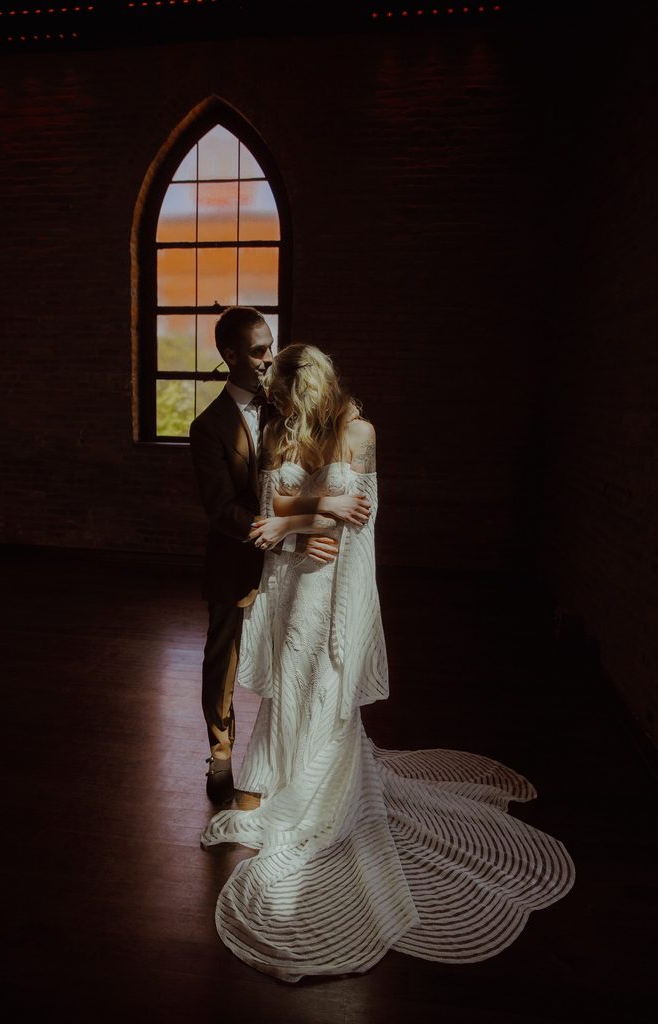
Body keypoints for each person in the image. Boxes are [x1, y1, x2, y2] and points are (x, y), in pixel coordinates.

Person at [200, 343, 576, 982]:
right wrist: (311, 517)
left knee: (324, 687)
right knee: (289, 685)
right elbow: (272, 512)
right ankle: (275, 776)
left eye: (291, 400)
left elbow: (362, 522)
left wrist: (341, 582)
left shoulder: (359, 432)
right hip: (293, 579)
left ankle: (316, 787)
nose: (282, 411)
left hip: (335, 582)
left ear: (314, 390)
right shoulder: (284, 431)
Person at [189, 308, 342, 806]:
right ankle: (221, 755)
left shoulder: (285, 404)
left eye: (270, 346)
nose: (268, 358)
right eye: (257, 350)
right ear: (229, 355)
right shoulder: (207, 427)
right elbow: (222, 511)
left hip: (293, 564)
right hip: (236, 562)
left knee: (298, 656)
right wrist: (292, 537)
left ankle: (296, 756)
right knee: (224, 661)